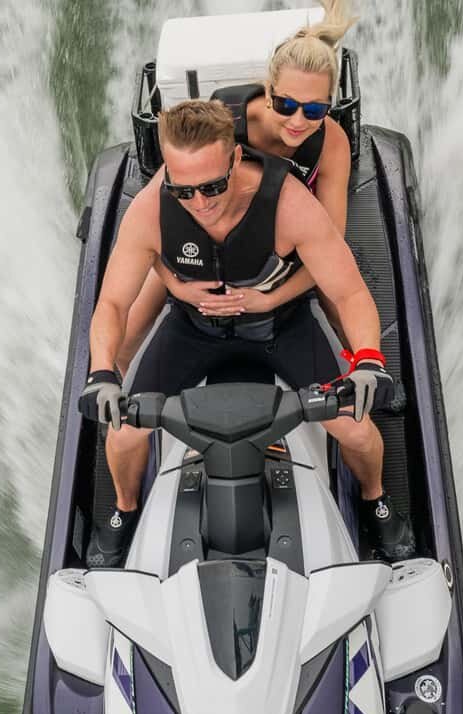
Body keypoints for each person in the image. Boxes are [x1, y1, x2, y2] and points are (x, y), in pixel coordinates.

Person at [79, 99, 415, 568]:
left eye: (212, 186)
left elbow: (351, 293)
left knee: (357, 432)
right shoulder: (150, 211)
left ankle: (374, 498)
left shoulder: (289, 205)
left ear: (235, 158)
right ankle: (124, 508)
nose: (200, 202)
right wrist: (101, 374)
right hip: (192, 329)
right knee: (122, 436)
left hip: (281, 327)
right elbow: (113, 303)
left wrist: (369, 362)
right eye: (183, 190)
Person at [117, 0, 357, 370]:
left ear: (328, 105)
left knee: (338, 302)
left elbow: (332, 240)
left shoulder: (332, 144)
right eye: (286, 105)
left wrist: (271, 298)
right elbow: (175, 190)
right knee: (131, 327)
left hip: (291, 232)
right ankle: (117, 386)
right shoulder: (226, 118)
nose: (297, 121)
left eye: (313, 110)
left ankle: (364, 373)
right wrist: (177, 285)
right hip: (214, 223)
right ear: (269, 91)